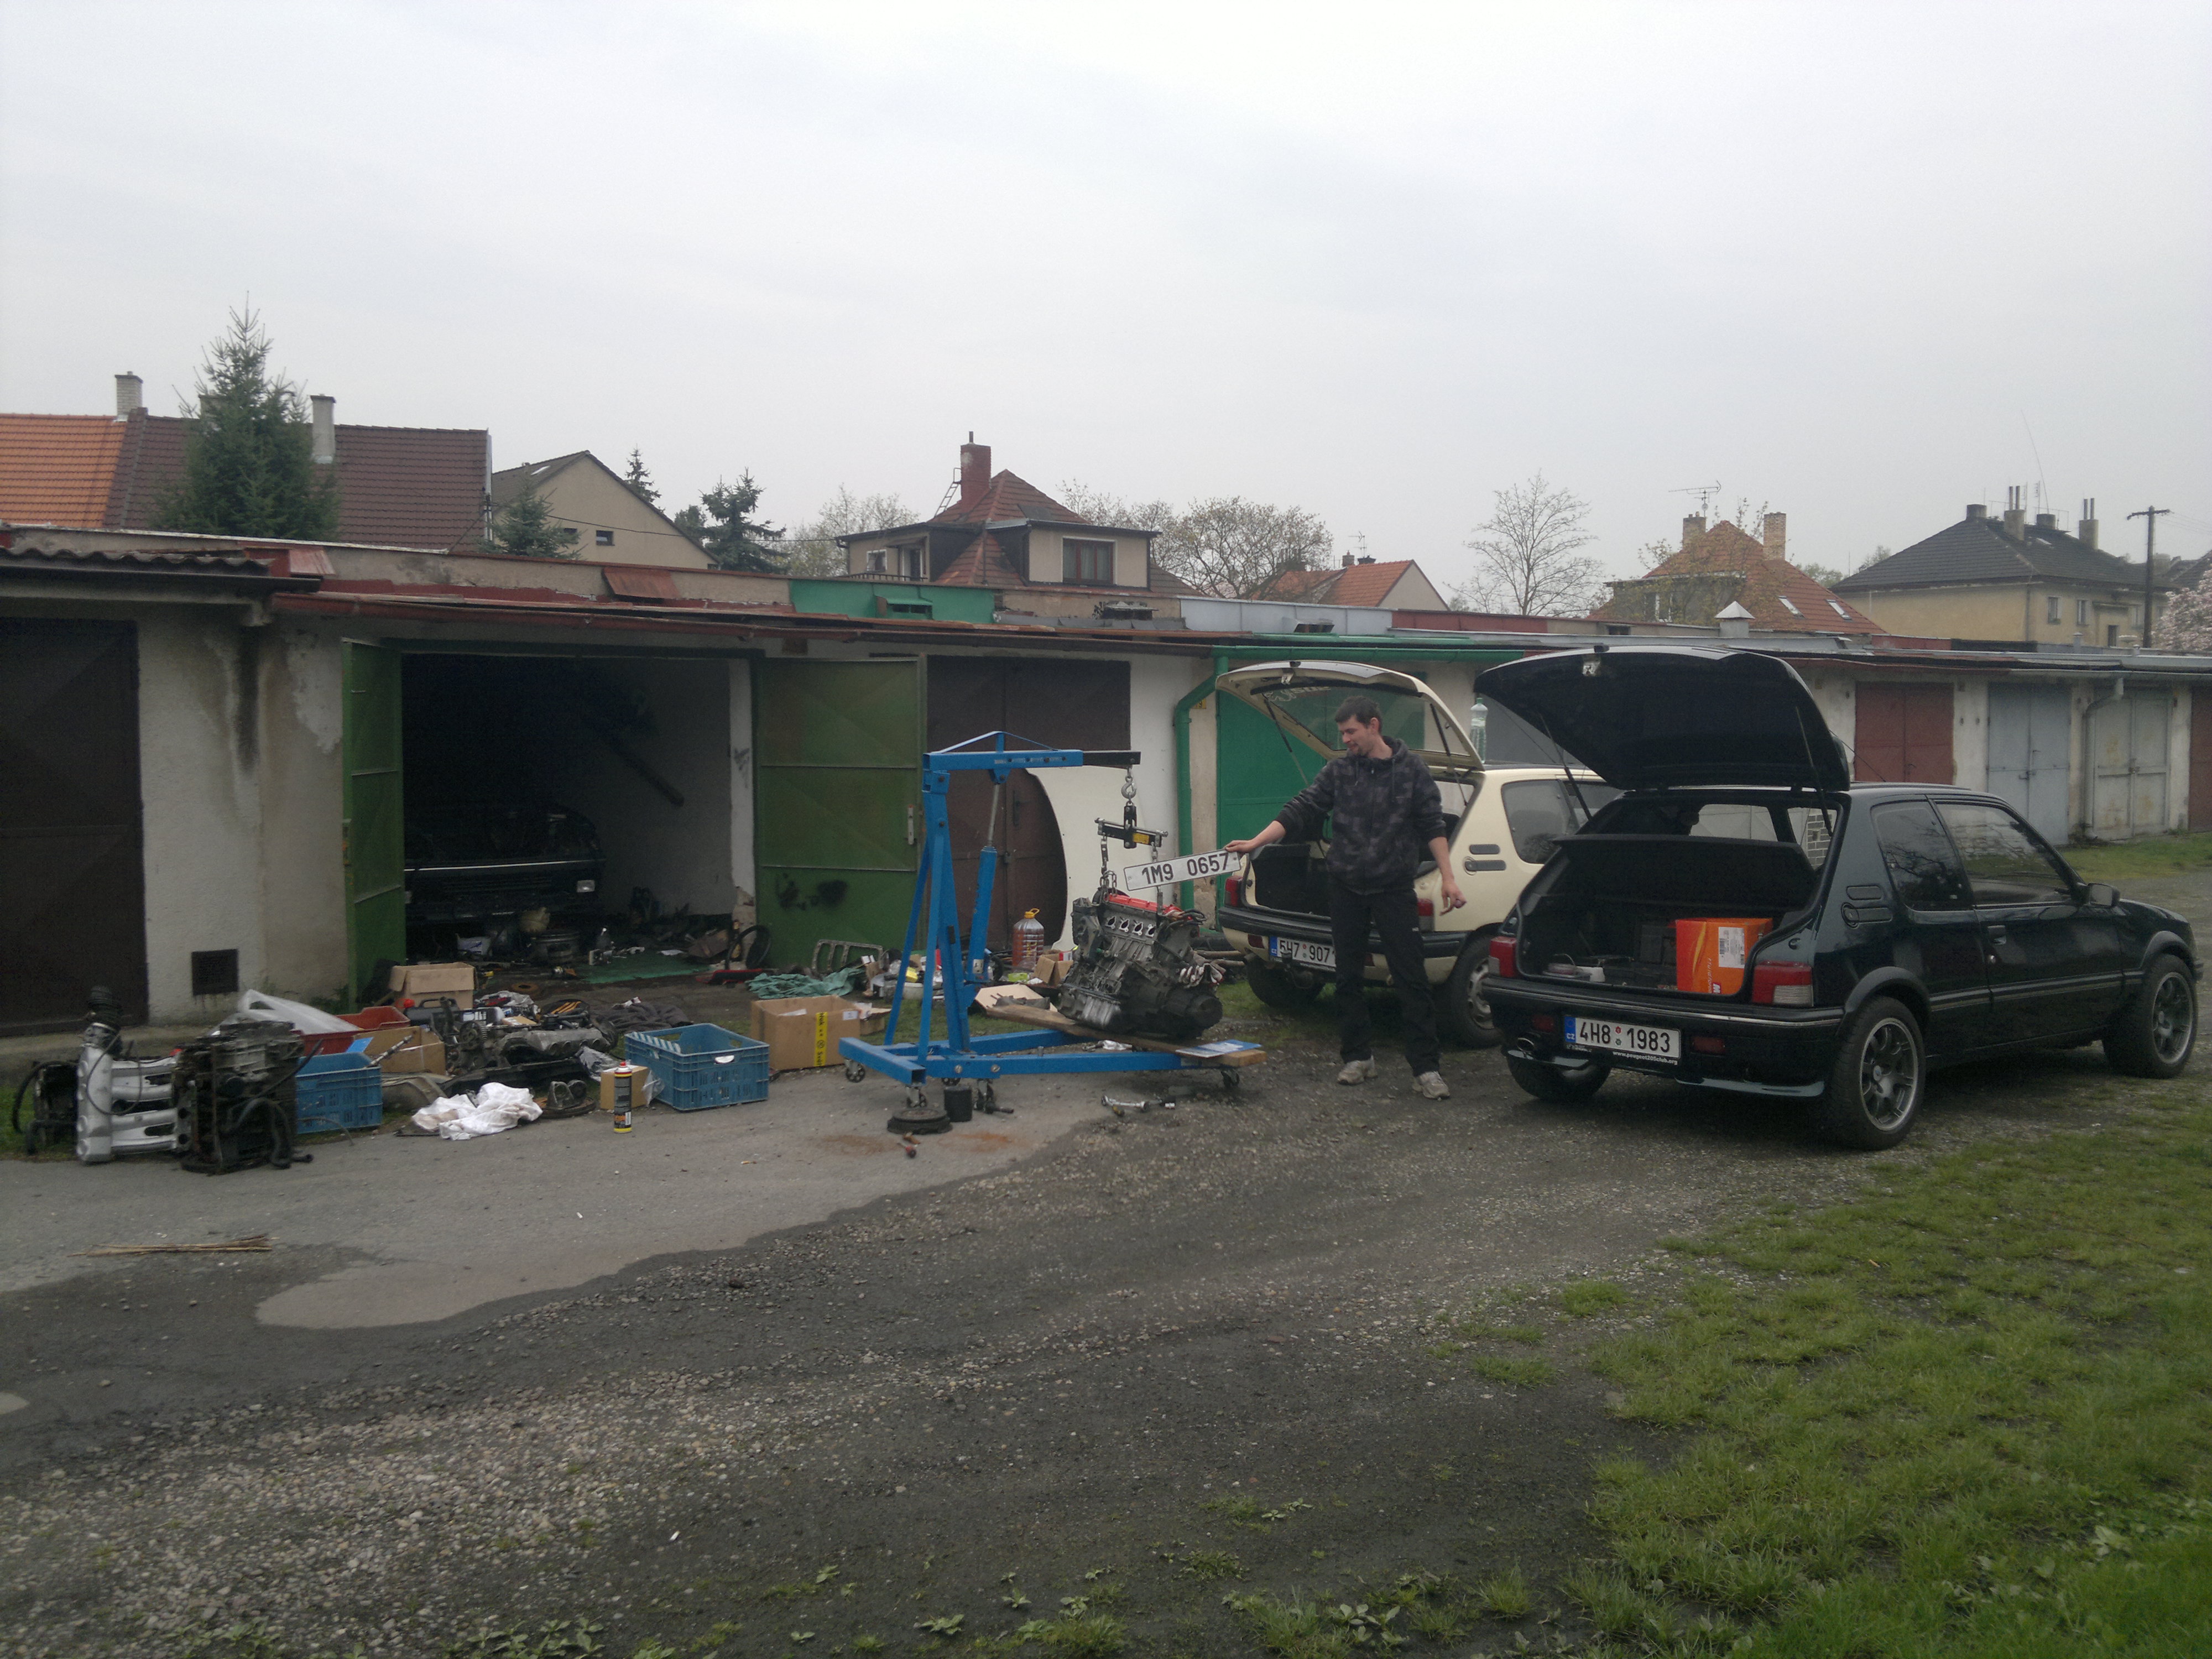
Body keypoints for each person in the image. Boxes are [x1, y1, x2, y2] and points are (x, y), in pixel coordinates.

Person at [1225, 696, 1464, 1098]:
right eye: (1342, 733)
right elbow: (1300, 809)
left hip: (1394, 889)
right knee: (1347, 977)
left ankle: (1426, 1070)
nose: (1346, 740)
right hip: (1346, 888)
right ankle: (1358, 1058)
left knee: (1411, 979)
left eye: (1351, 732)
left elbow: (1432, 825)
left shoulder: (1412, 771)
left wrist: (1449, 878)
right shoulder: (1339, 771)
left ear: (1374, 725)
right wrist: (1255, 842)